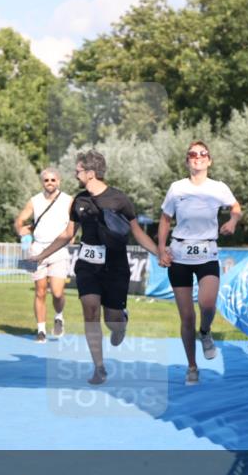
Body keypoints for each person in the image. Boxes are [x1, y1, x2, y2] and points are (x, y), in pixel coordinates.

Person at [31, 149, 159, 385]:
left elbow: (137, 232)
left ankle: (120, 324)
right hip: (87, 265)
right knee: (90, 310)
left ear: (90, 173)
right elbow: (68, 234)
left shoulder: (120, 199)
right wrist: (42, 254)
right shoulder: (78, 200)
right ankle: (99, 367)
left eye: (78, 170)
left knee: (112, 320)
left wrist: (159, 253)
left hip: (115, 266)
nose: (75, 174)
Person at [157, 141, 242, 386]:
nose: (197, 158)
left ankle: (205, 332)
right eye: (192, 155)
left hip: (207, 252)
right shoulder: (177, 188)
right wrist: (162, 249)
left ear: (209, 160)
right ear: (187, 161)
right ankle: (192, 366)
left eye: (202, 154)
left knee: (206, 304)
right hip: (180, 253)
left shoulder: (218, 187)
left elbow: (236, 208)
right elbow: (164, 219)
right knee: (186, 316)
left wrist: (232, 222)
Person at [14, 167, 73, 342]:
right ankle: (41, 330)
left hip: (58, 249)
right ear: (42, 182)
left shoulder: (68, 200)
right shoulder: (35, 200)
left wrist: (72, 236)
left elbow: (75, 222)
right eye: (46, 180)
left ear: (59, 181)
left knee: (57, 292)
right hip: (37, 250)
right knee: (40, 292)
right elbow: (20, 220)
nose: (50, 183)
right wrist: (21, 231)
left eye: (53, 180)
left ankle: (59, 316)